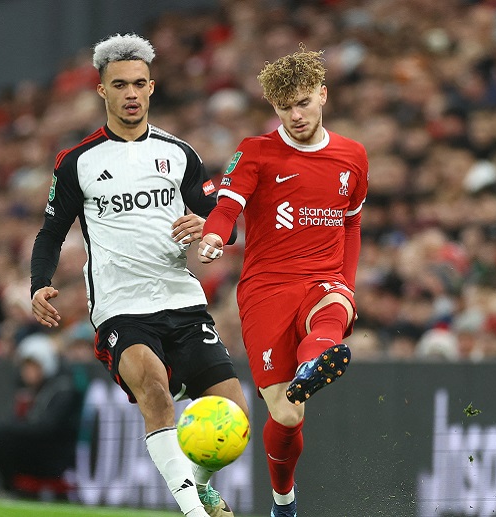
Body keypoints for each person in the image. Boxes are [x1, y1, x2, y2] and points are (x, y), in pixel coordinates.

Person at [29, 33, 249, 517]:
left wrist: (207, 227)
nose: (131, 93)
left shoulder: (179, 153)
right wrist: (39, 283)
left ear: (152, 89)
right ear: (102, 91)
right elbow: (50, 233)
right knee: (154, 389)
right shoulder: (77, 162)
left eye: (140, 84)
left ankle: (200, 485)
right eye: (120, 84)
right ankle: (194, 512)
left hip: (180, 296)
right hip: (120, 304)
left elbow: (223, 218)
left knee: (234, 412)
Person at [197, 45, 368, 517]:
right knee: (287, 415)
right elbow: (227, 206)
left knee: (333, 309)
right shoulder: (256, 151)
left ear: (323, 96)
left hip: (323, 280)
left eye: (304, 102)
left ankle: (319, 359)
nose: (296, 115)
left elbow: (351, 223)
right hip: (266, 290)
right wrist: (214, 237)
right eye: (285, 106)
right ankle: (283, 503)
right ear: (274, 107)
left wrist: (347, 284)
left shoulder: (353, 156)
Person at [0, 333, 84, 498]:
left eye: (34, 365)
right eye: (25, 366)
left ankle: (8, 490)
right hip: (28, 449)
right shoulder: (27, 392)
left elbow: (44, 429)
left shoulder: (63, 390)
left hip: (50, 457)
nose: (28, 372)